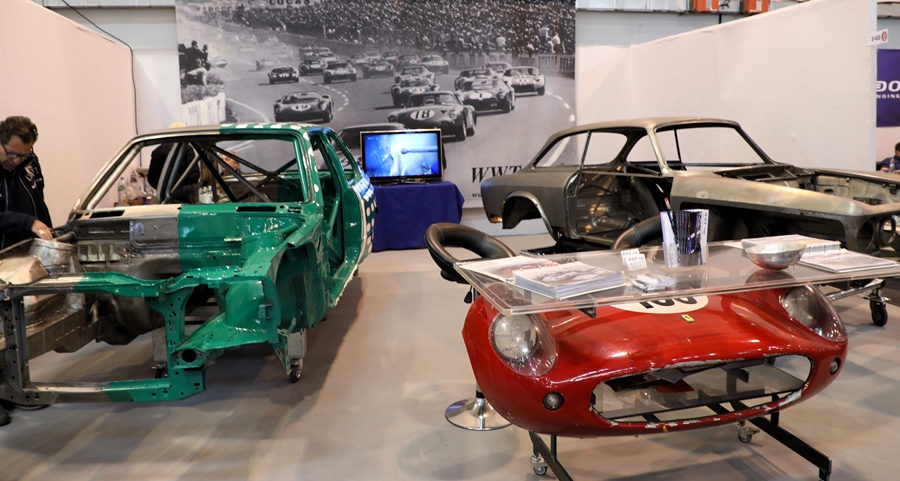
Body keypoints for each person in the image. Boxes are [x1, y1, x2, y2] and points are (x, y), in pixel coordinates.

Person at [0, 115, 53, 427]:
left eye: (24, 154)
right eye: (11, 154)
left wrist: (48, 232)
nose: (17, 161)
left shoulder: (30, 164)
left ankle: (12, 388)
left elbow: (38, 203)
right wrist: (26, 221)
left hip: (18, 256)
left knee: (13, 328)